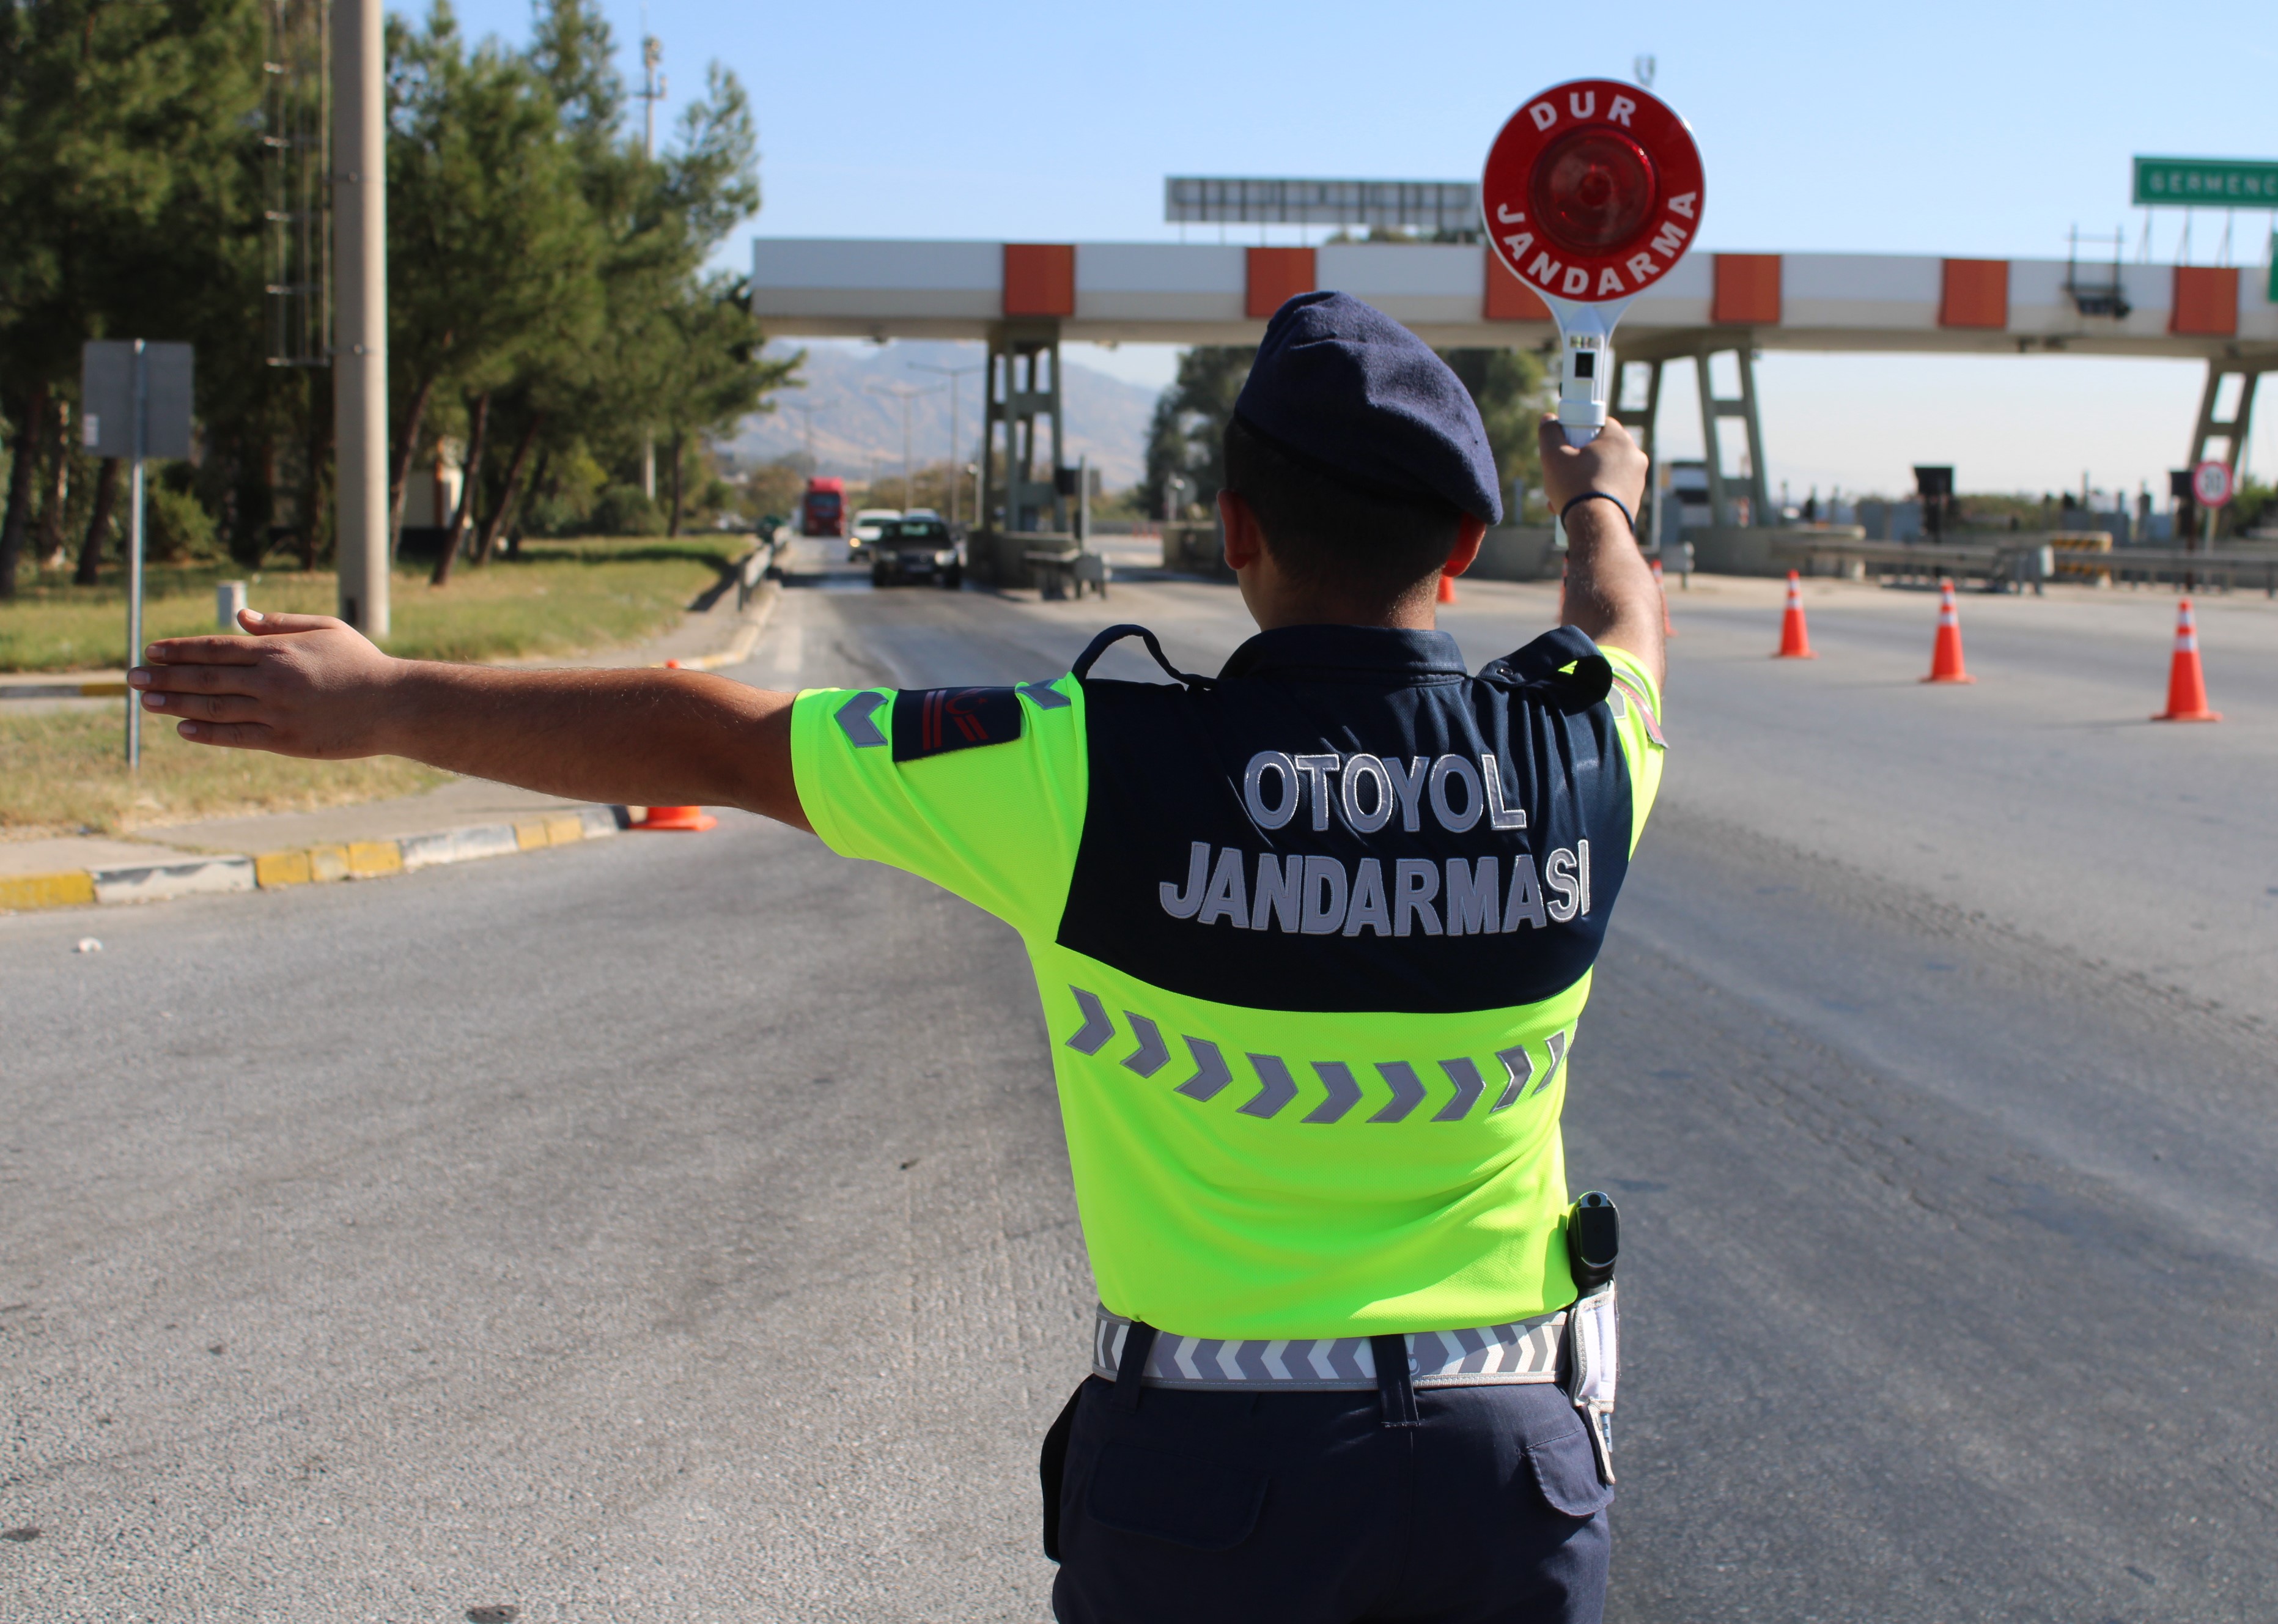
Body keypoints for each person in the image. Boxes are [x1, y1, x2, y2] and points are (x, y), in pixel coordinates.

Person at [133, 292, 1666, 1623]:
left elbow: (696, 736)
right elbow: (1622, 619)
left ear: (1236, 530)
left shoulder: (1084, 772)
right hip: (1511, 1467)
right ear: (1467, 544)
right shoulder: (1586, 754)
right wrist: (1600, 497)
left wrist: (386, 695)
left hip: (1216, 1482)